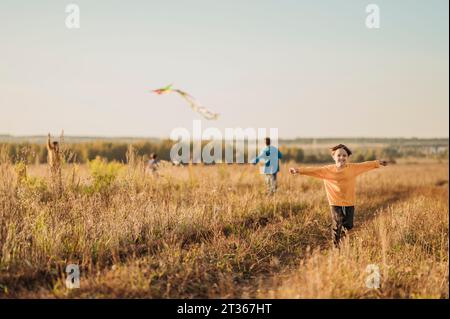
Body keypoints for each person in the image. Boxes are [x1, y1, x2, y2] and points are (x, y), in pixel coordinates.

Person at [289, 144, 388, 247]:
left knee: (349, 225)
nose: (342, 157)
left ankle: (342, 239)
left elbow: (365, 165)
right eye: (339, 155)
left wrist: (378, 162)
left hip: (349, 200)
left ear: (347, 158)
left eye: (344, 155)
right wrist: (298, 170)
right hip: (334, 201)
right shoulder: (327, 170)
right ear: (334, 157)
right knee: (338, 221)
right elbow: (313, 170)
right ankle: (336, 246)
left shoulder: (353, 168)